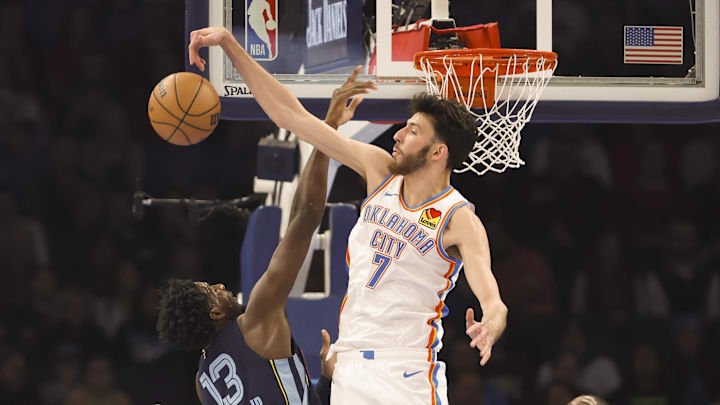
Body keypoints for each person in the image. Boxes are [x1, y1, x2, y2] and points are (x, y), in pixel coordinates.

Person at [187, 26, 508, 404]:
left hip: (403, 372)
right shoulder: (379, 170)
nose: (399, 135)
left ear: (438, 152)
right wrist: (229, 44)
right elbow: (292, 116)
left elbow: (493, 299)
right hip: (348, 368)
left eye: (413, 131)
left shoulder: (458, 219)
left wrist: (491, 324)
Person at [156, 75, 369, 405]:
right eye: (212, 290)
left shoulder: (203, 383)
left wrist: (325, 382)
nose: (221, 287)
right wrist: (328, 129)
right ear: (213, 313)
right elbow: (310, 213)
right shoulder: (255, 320)